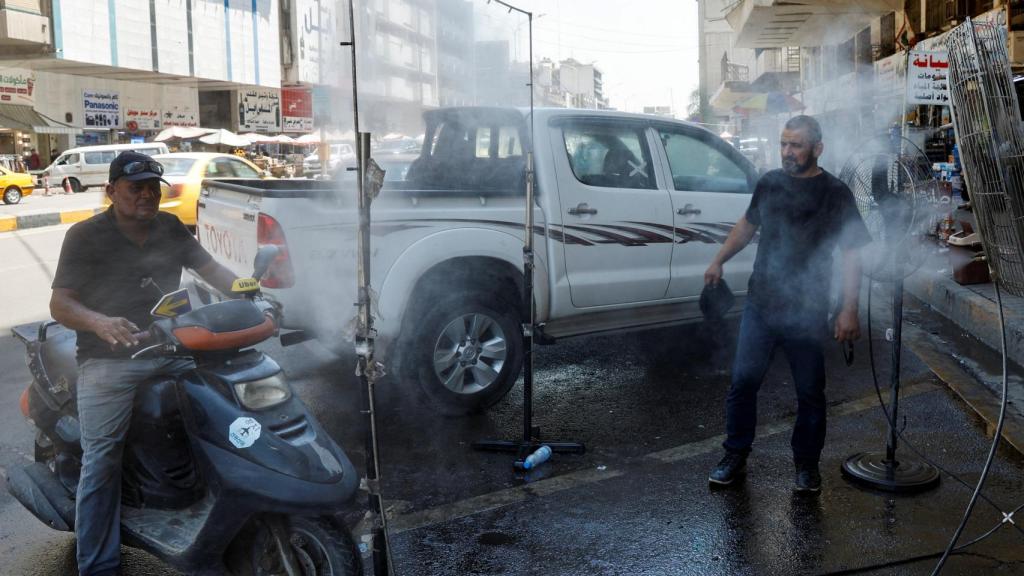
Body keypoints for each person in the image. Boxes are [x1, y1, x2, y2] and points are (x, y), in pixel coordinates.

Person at [49, 152, 239, 575]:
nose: (147, 195)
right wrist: (99, 322)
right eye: (136, 187)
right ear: (112, 191)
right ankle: (97, 564)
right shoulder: (85, 236)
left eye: (153, 187)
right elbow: (60, 303)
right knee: (102, 457)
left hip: (172, 348)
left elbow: (211, 270)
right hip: (109, 360)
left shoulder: (169, 226)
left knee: (229, 416)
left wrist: (250, 290)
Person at [704, 115, 870, 493]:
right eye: (783, 144)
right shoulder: (770, 183)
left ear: (817, 148)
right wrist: (719, 260)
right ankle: (735, 455)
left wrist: (848, 308)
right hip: (762, 303)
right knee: (743, 382)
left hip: (808, 309)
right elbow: (747, 226)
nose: (787, 152)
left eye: (795, 145)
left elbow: (851, 254)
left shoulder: (835, 192)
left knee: (810, 391)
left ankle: (806, 465)